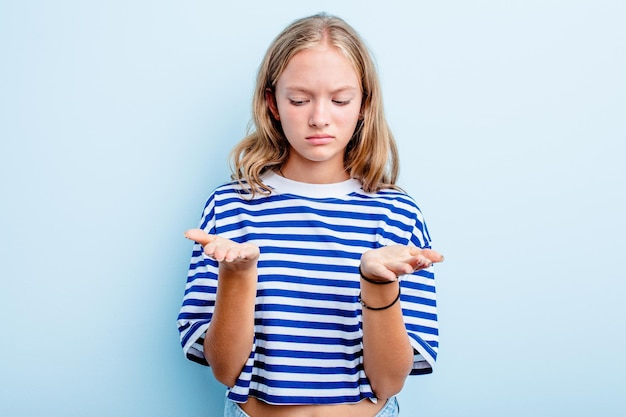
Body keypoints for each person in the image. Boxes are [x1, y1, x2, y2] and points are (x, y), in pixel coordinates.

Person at [177, 12, 444, 417]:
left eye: (340, 100)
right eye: (299, 100)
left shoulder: (397, 214)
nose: (319, 117)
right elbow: (224, 370)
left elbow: (389, 382)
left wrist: (377, 282)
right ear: (273, 104)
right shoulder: (230, 207)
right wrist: (237, 276)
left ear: (363, 106)